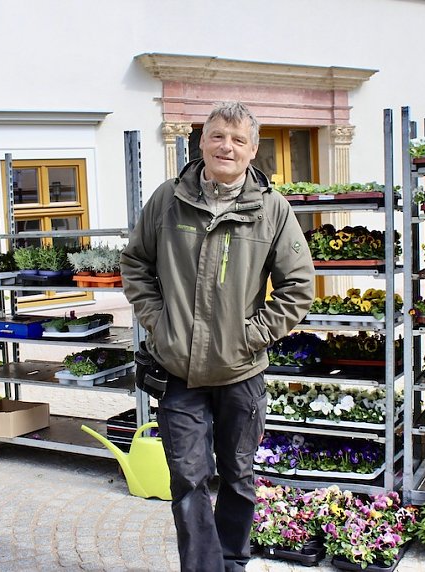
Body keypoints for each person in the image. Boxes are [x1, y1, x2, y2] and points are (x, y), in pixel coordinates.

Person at [121, 101, 315, 571]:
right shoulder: (168, 199)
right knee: (187, 479)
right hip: (177, 371)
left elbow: (299, 286)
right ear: (201, 141)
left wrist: (252, 336)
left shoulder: (272, 210)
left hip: (239, 370)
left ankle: (231, 563)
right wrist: (158, 321)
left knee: (238, 476)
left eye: (238, 139)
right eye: (217, 135)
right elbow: (135, 264)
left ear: (252, 151)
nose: (226, 145)